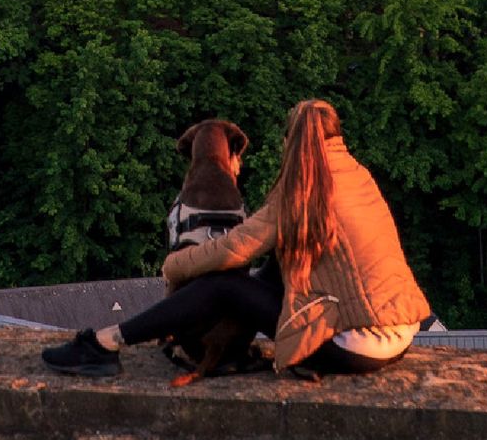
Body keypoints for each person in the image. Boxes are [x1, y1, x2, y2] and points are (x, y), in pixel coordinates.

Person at [42, 99, 430, 381]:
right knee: (267, 273)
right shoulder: (358, 176)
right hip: (399, 337)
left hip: (353, 346)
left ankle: (106, 343)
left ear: (291, 142)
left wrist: (175, 265)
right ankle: (192, 339)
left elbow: (234, 248)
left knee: (221, 285)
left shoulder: (303, 189)